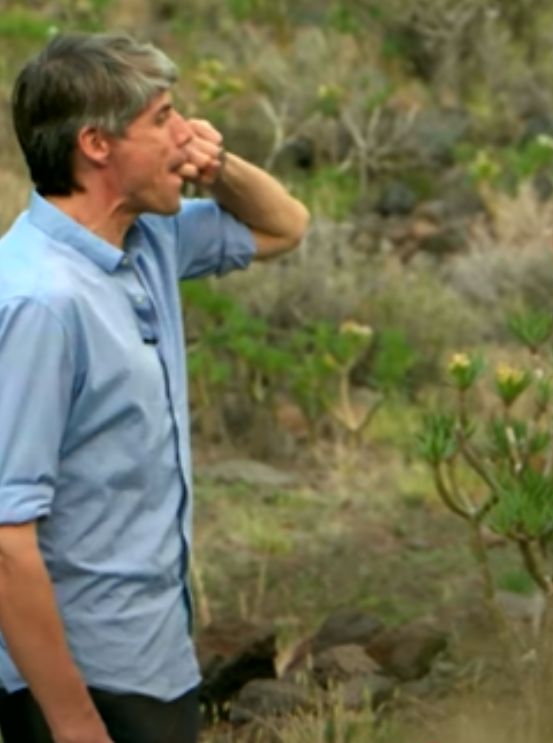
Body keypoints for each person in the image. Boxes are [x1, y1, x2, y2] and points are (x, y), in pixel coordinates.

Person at [0, 33, 308, 743]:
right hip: (83, 684)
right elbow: (8, 542)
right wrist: (74, 722)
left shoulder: (148, 240)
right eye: (165, 118)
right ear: (97, 145)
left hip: (155, 652)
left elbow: (285, 226)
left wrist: (217, 166)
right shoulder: (38, 303)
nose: (187, 135)